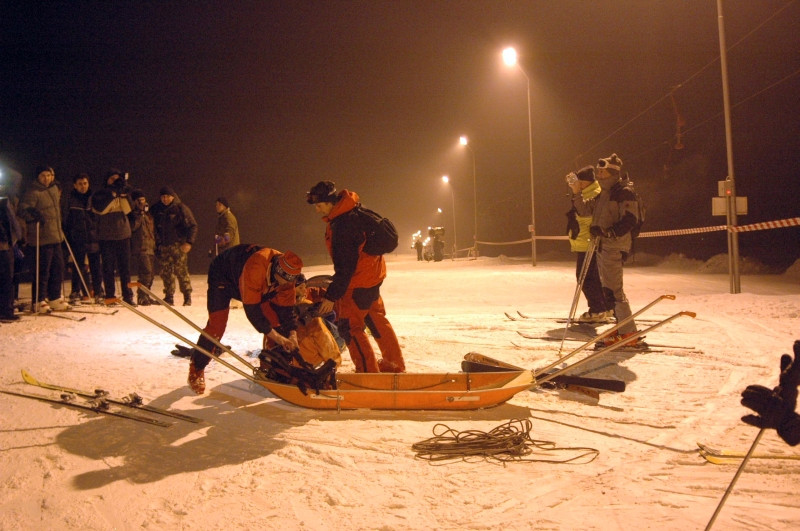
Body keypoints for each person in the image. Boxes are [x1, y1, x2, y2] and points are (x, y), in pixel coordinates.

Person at [306, 180, 406, 373]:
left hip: (358, 283)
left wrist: (331, 296)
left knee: (350, 327)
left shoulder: (343, 225)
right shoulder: (355, 211)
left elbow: (345, 268)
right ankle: (395, 364)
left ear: (329, 202)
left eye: (319, 205)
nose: (317, 210)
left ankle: (367, 373)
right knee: (377, 321)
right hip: (373, 278)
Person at [185, 244, 303, 394]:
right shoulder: (256, 267)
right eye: (284, 281)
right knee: (217, 326)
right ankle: (197, 368)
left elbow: (287, 311)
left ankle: (271, 368)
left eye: (289, 283)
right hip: (224, 276)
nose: (287, 285)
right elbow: (253, 312)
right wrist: (279, 338)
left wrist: (293, 335)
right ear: (276, 270)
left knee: (277, 322)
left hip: (257, 283)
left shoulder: (287, 276)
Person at [578, 154, 645, 349]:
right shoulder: (604, 193)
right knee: (608, 289)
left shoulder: (623, 192)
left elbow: (630, 219)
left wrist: (609, 232)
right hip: (603, 245)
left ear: (613, 172)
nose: (598, 174)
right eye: (598, 171)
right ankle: (622, 326)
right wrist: (576, 192)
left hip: (614, 245)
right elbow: (585, 211)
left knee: (614, 290)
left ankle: (628, 333)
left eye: (602, 171)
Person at [17, 165, 71, 312]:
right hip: (41, 238)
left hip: (56, 236)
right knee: (42, 271)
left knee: (57, 269)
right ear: (38, 177)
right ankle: (38, 299)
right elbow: (22, 209)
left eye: (49, 175)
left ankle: (54, 297)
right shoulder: (33, 192)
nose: (46, 178)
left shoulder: (54, 190)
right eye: (43, 176)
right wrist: (32, 214)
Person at [566, 166, 613, 323]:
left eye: (578, 181)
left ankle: (597, 310)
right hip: (585, 241)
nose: (576, 184)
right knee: (592, 277)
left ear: (584, 182)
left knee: (585, 277)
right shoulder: (589, 192)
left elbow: (584, 214)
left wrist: (576, 192)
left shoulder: (593, 193)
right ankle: (604, 308)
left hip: (589, 242)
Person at [90, 169, 135, 306]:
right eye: (112, 179)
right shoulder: (100, 194)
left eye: (117, 179)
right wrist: (113, 194)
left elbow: (129, 210)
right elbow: (101, 210)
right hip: (106, 236)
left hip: (123, 235)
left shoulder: (122, 194)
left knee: (125, 268)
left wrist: (124, 194)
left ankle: (128, 296)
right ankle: (110, 296)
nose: (115, 181)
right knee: (108, 268)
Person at [149, 186, 197, 306]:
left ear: (173, 197)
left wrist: (189, 242)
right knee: (166, 272)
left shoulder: (180, 208)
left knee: (181, 272)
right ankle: (169, 297)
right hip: (163, 247)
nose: (165, 199)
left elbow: (193, 226)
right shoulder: (156, 209)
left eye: (167, 196)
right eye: (163, 197)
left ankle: (187, 296)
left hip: (178, 246)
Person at [62, 173, 103, 303]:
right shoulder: (70, 199)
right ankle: (75, 291)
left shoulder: (94, 198)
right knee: (77, 266)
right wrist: (68, 235)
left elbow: (100, 217)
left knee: (95, 267)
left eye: (85, 183)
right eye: (80, 184)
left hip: (93, 237)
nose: (83, 186)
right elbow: (66, 219)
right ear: (75, 185)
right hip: (77, 238)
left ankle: (98, 291)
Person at [0, 175, 23, 320]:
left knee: (8, 277)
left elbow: (12, 221)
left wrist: (17, 237)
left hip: (7, 243)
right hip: (3, 243)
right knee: (5, 278)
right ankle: (5, 310)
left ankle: (7, 308)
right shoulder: (4, 201)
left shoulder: (6, 199)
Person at [128, 190, 156, 305]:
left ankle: (146, 295)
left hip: (150, 246)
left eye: (143, 199)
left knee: (151, 274)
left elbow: (151, 229)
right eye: (139, 200)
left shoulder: (147, 214)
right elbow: (132, 228)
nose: (142, 202)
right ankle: (142, 296)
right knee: (146, 272)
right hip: (140, 247)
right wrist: (139, 213)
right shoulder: (132, 214)